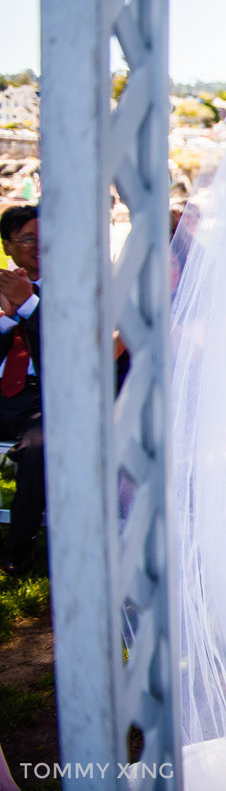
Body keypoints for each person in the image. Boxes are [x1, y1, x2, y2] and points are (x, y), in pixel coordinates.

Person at [0, 205, 45, 575]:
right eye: (28, 238)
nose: (38, 245)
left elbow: (70, 346)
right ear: (7, 246)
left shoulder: (74, 289)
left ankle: (19, 545)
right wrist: (6, 318)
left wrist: (29, 304)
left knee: (38, 447)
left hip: (42, 396)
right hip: (1, 389)